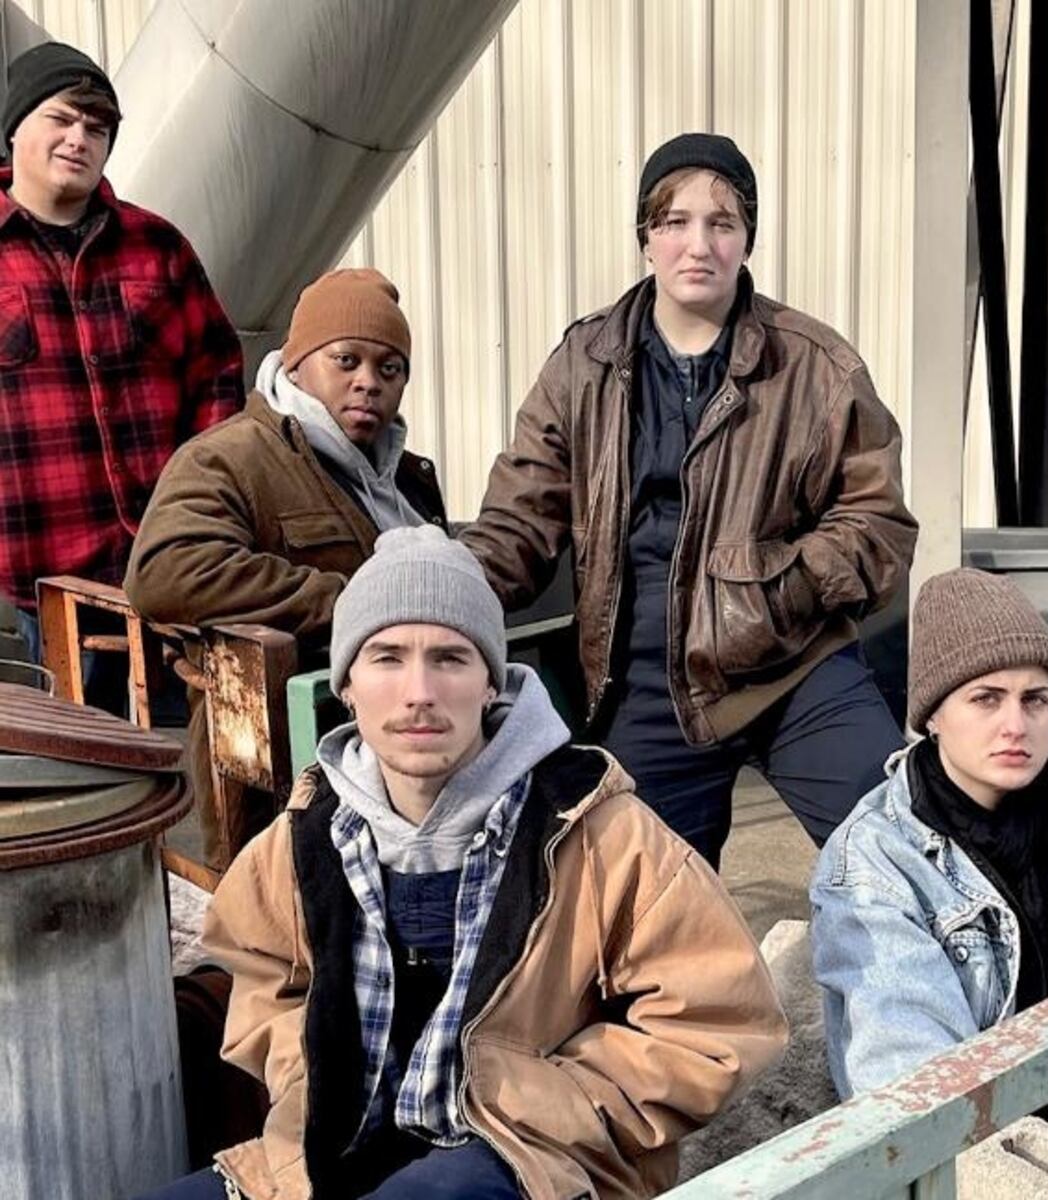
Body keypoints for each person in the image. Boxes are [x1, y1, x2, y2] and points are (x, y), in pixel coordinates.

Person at [137, 525, 787, 1200]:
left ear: (491, 683)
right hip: (330, 1155)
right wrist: (317, 1080)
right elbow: (264, 980)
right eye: (387, 657)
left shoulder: (600, 832)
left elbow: (719, 1023)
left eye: (450, 658)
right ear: (348, 685)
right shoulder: (305, 836)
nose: (419, 690)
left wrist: (546, 1102)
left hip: (529, 1165)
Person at [461, 132, 917, 868]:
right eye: (674, 222)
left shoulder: (816, 365)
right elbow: (519, 520)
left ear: (747, 240)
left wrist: (768, 598)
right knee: (640, 909)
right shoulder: (584, 365)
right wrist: (440, 590)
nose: (696, 244)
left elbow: (878, 524)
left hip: (794, 667)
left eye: (721, 223)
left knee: (902, 847)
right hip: (645, 685)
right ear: (646, 239)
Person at [810, 568, 1048, 1161]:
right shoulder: (878, 861)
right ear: (933, 715)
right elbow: (918, 1093)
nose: (1015, 725)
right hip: (1012, 1168)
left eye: (1034, 699)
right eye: (985, 698)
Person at [124, 268, 446, 864]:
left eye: (389, 368)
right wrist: (352, 600)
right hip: (281, 772)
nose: (368, 383)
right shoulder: (230, 458)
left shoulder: (407, 478)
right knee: (286, 937)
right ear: (296, 365)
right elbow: (165, 571)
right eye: (345, 360)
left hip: (409, 756)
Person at [0, 41, 242, 693]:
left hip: (163, 584)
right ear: (15, 125)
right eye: (63, 118)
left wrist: (197, 519)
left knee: (183, 775)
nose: (80, 138)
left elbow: (219, 379)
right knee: (68, 785)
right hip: (30, 594)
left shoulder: (157, 248)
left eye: (98, 128)